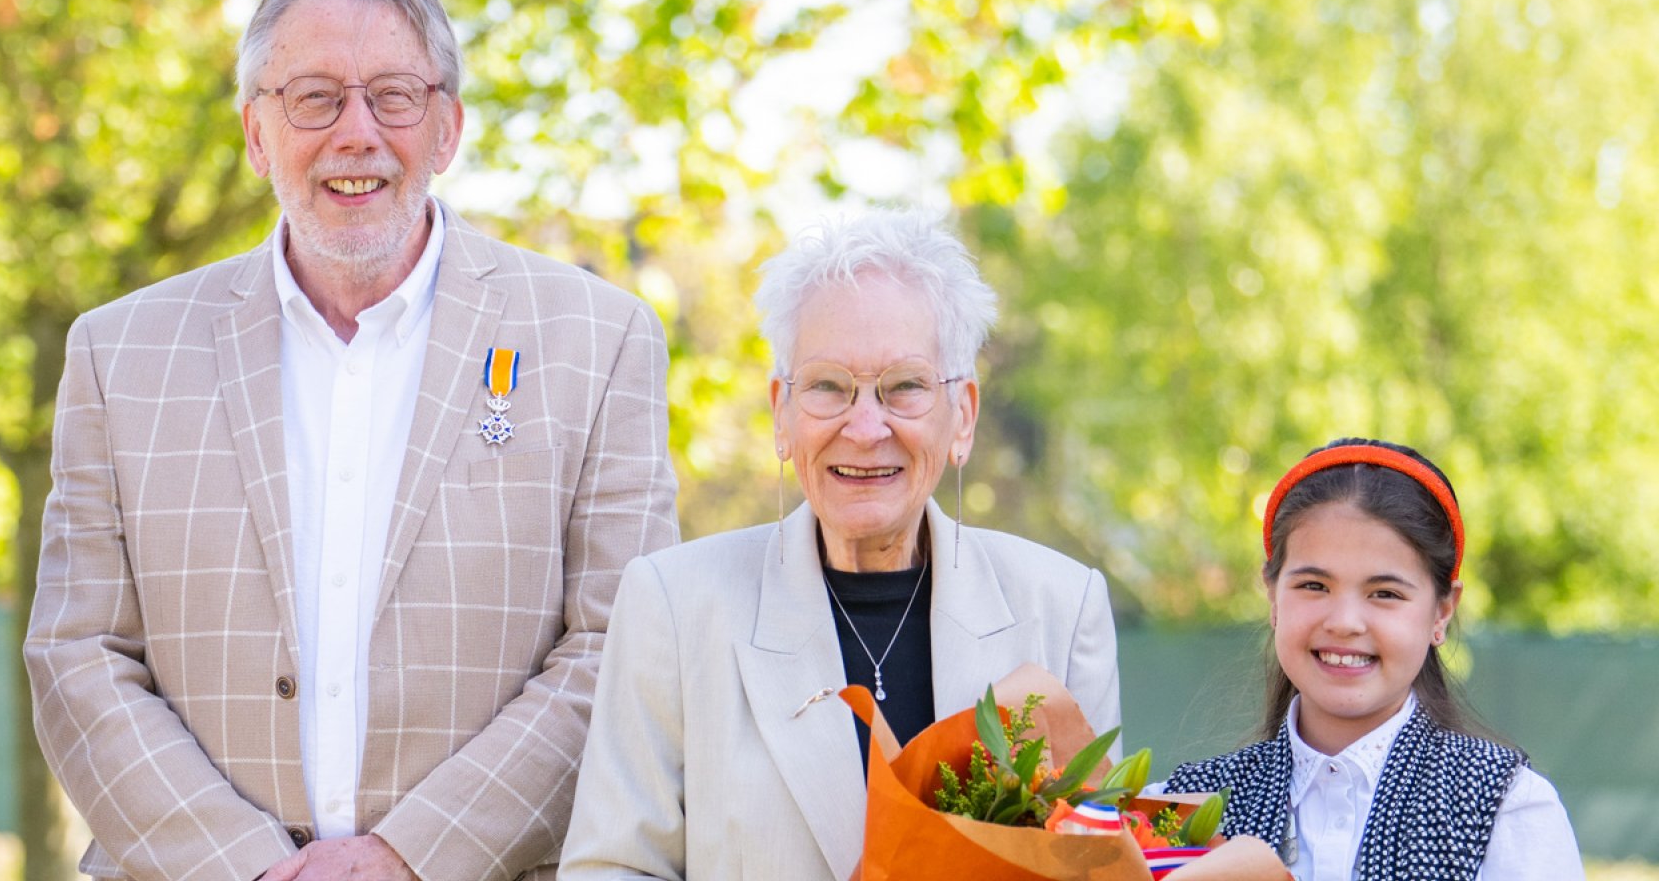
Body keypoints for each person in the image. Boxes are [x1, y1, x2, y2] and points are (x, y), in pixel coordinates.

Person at [26, 0, 679, 881]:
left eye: (395, 96)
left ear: (447, 126)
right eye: (315, 98)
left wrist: (410, 857)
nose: (357, 134)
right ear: (257, 133)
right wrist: (242, 865)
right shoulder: (117, 353)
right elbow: (78, 652)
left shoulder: (598, 338)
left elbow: (620, 643)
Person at [561, 211, 1121, 880]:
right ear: (782, 414)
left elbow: (1097, 861)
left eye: (904, 387)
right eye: (828, 386)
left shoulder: (1062, 605)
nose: (864, 426)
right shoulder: (675, 607)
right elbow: (612, 868)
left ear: (963, 415)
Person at [1154, 439, 1583, 879]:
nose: (1344, 623)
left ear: (1442, 611)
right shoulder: (1179, 812)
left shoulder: (1505, 810)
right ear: (1273, 596)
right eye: (1314, 586)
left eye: (1385, 594)